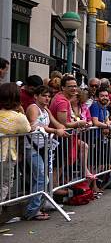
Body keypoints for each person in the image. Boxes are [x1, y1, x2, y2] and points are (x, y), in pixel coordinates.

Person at [24, 85, 68, 220]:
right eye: (44, 95)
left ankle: (38, 207)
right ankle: (32, 210)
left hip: (45, 148)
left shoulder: (46, 110)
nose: (47, 98)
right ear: (36, 96)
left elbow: (56, 124)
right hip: (33, 149)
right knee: (43, 178)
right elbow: (33, 126)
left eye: (49, 96)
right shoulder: (33, 108)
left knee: (41, 178)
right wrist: (54, 131)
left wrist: (65, 128)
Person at [0, 83, 32, 210]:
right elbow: (28, 129)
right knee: (5, 184)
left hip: (6, 154)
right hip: (6, 155)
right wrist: (22, 112)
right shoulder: (18, 118)